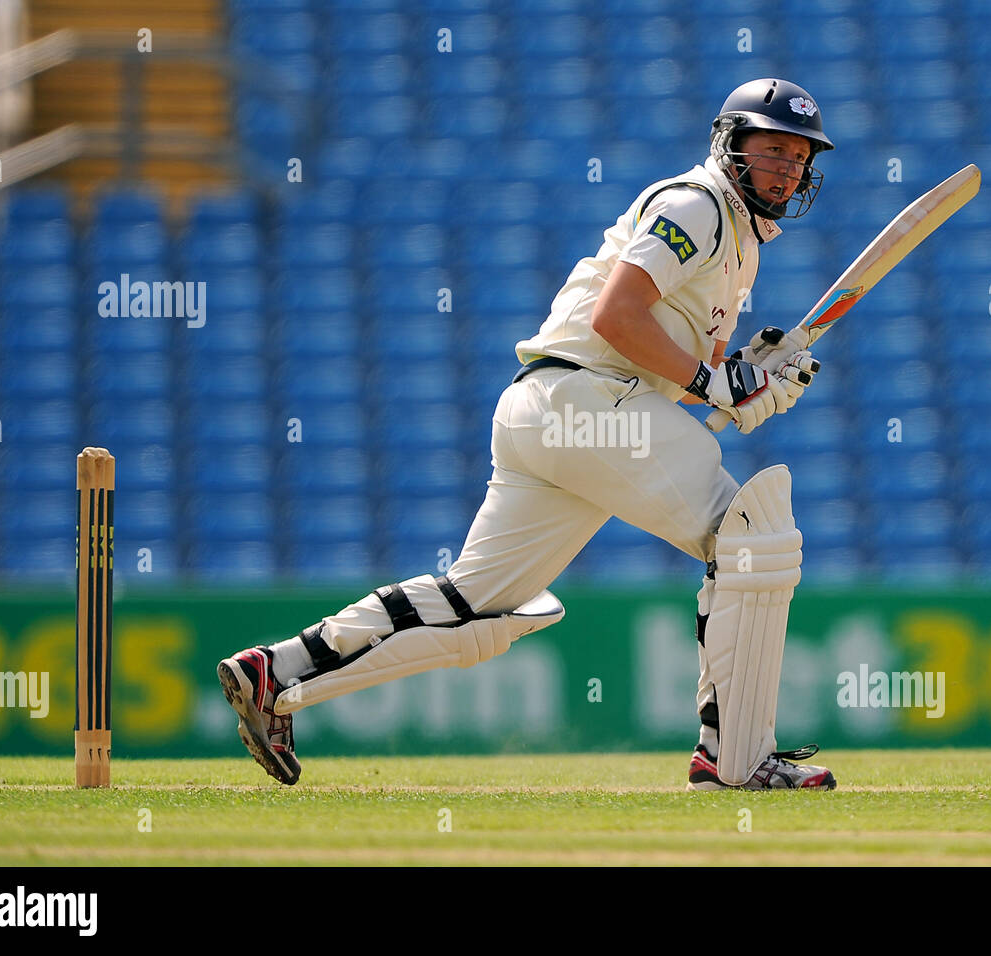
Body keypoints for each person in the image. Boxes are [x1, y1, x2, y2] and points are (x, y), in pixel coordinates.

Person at [218, 78, 838, 791]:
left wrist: (752, 376)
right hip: (586, 397)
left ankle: (278, 671)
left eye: (799, 158)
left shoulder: (742, 243)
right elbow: (617, 317)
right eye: (773, 151)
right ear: (731, 147)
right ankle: (734, 760)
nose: (788, 169)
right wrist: (713, 383)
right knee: (750, 538)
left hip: (554, 411)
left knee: (474, 606)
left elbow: (677, 359)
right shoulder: (695, 207)